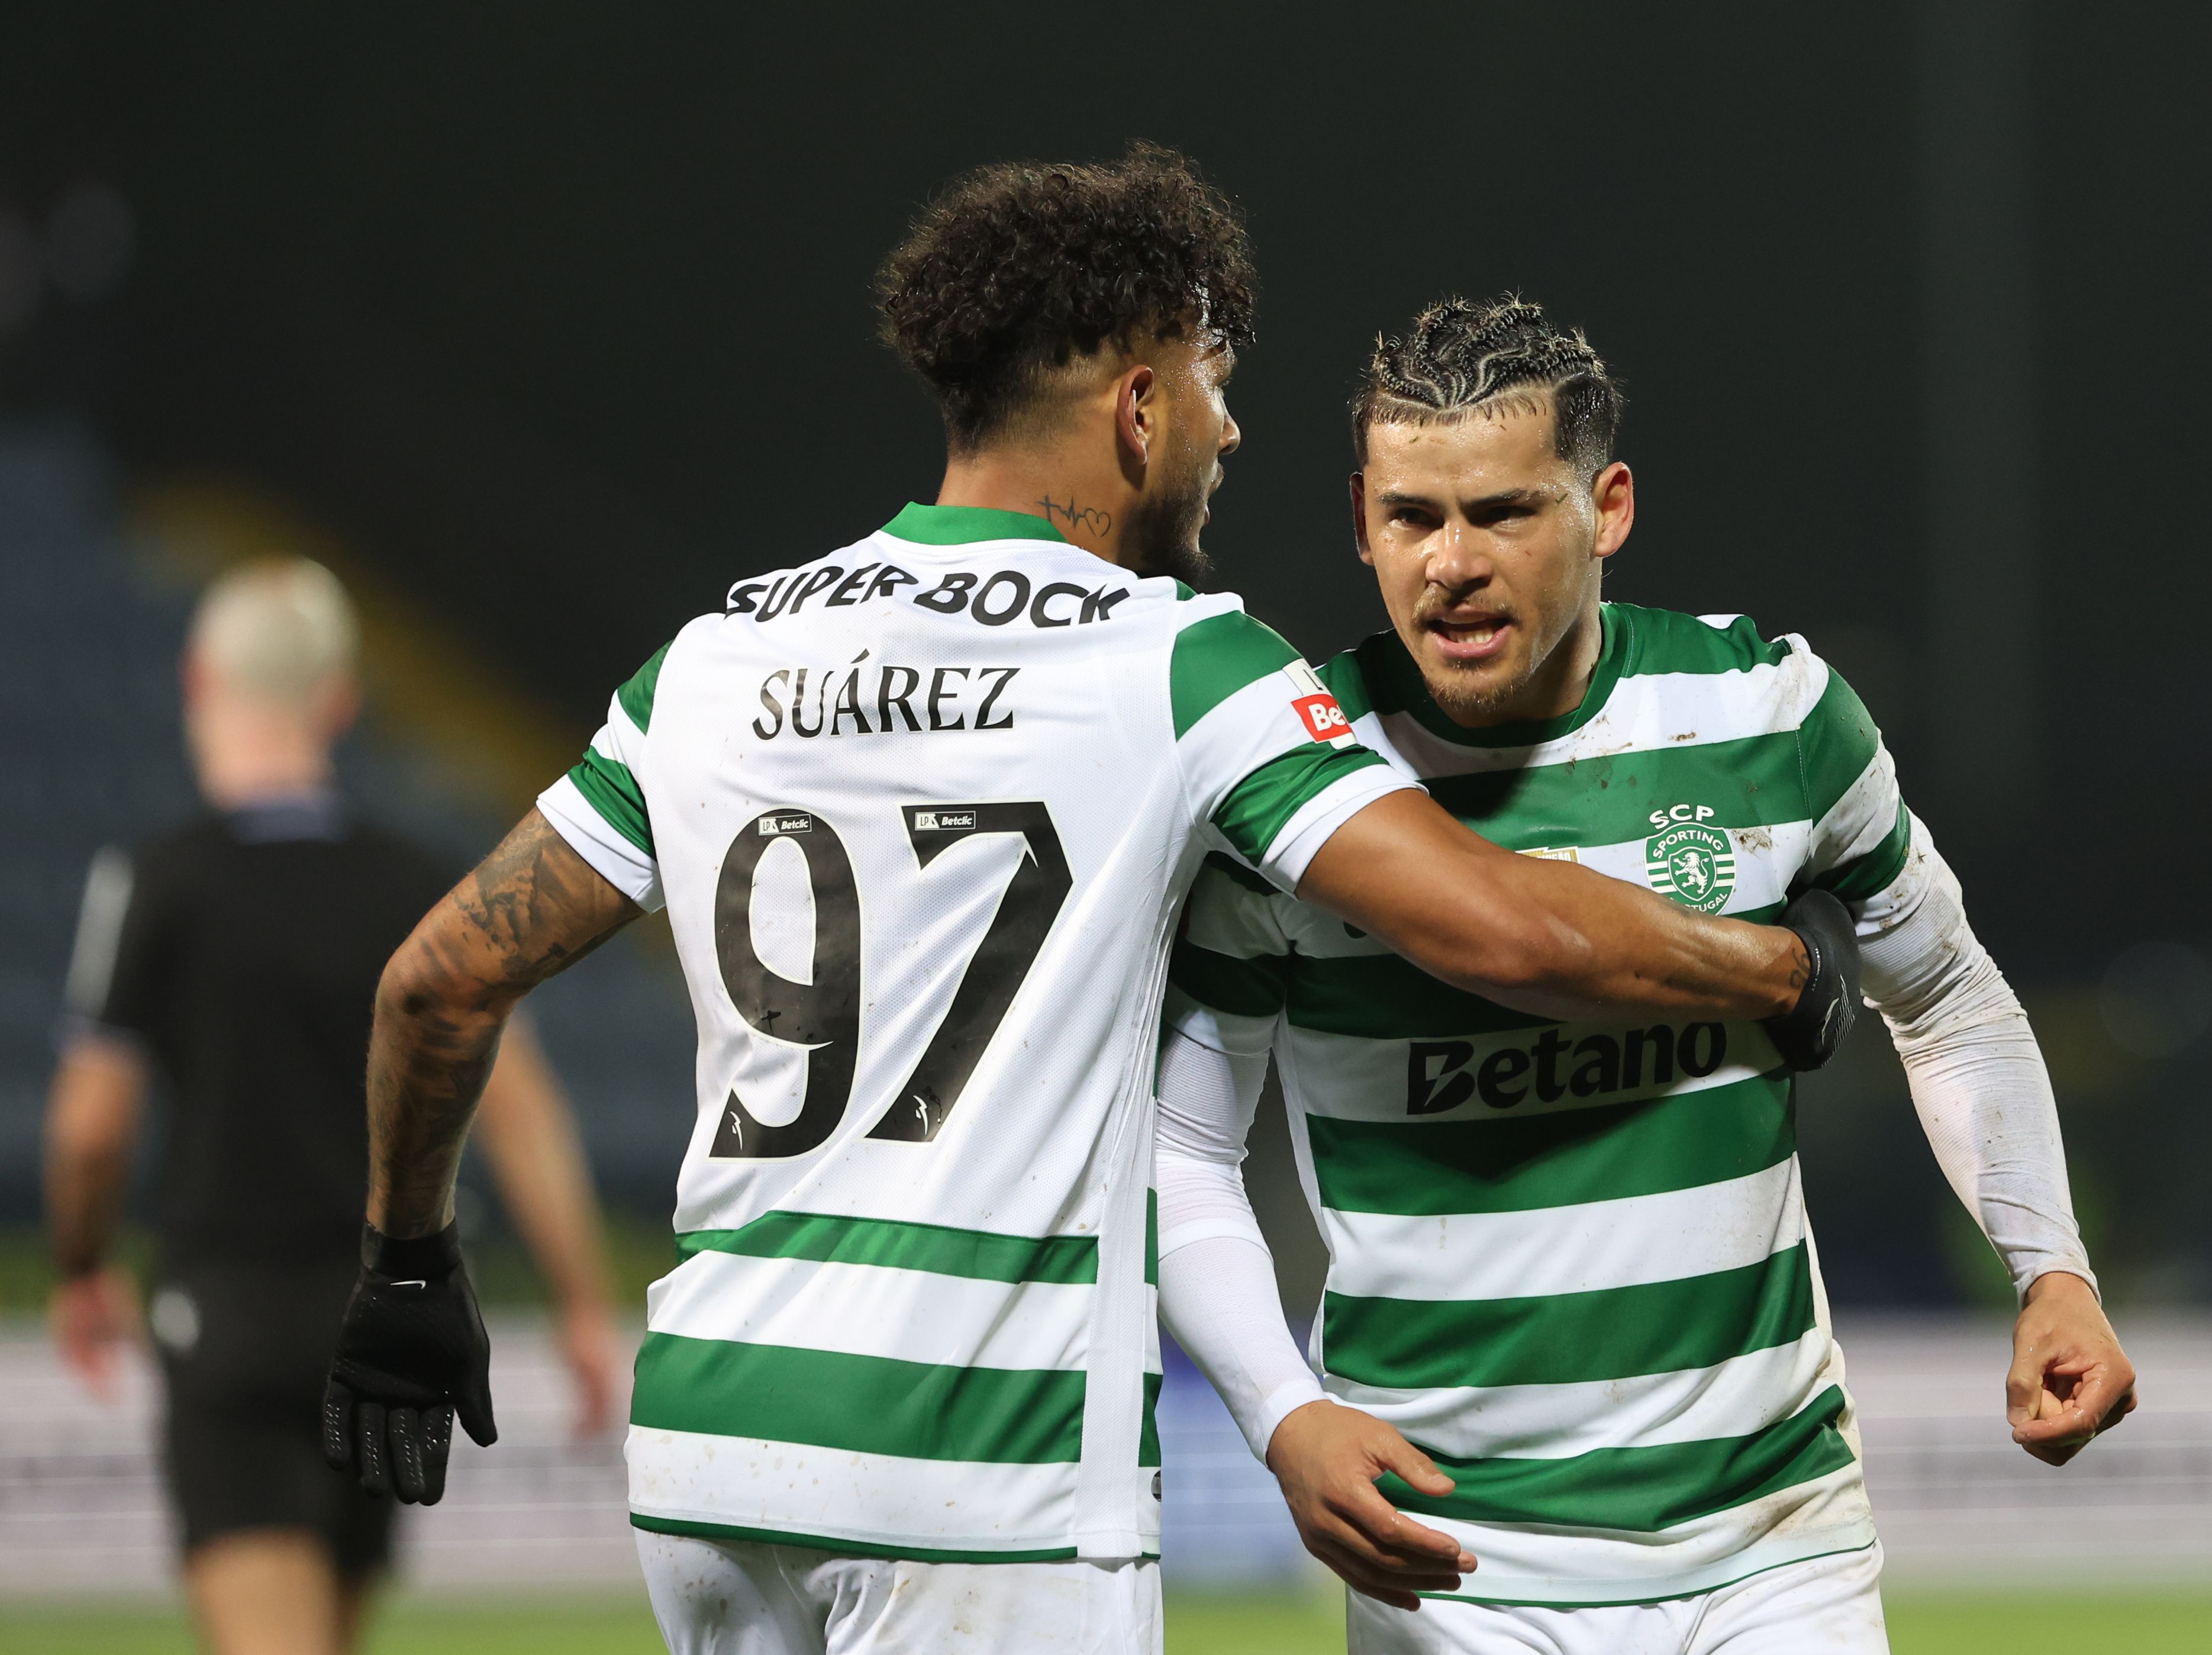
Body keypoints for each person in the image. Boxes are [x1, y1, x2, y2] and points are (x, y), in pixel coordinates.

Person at [317, 148, 1862, 1655]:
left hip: (717, 1451)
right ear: (1139, 408)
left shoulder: (718, 656)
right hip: (983, 1466)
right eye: (1213, 384)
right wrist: (1774, 969)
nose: (1230, 430)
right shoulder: (1178, 662)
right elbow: (1498, 927)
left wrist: (406, 1262)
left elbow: (438, 981)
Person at [1153, 297, 2140, 1654]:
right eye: (1411, 518)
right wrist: (1283, 1411)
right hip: (1455, 1568)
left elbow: (1952, 1005)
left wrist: (2053, 1272)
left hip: (1772, 1546)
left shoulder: (1771, 712)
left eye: (1501, 513)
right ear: (1361, 518)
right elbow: (1184, 1149)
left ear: (1607, 506)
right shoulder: (1289, 781)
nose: (1449, 563)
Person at [44, 557, 620, 1655]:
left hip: (234, 1313)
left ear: (196, 679)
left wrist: (81, 1263)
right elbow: (523, 1109)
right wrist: (584, 1303)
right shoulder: (425, 885)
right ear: (341, 699)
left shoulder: (155, 881)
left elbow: (89, 1125)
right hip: (388, 1314)